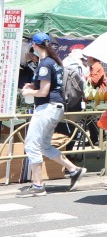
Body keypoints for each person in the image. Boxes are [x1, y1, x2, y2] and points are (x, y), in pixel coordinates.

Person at [17, 34, 84, 198]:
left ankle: (38, 185)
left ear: (34, 45)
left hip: (47, 108)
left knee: (31, 144)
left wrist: (28, 91)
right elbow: (51, 85)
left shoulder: (45, 64)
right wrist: (33, 85)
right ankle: (74, 170)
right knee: (45, 146)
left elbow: (44, 91)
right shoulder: (53, 62)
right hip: (55, 108)